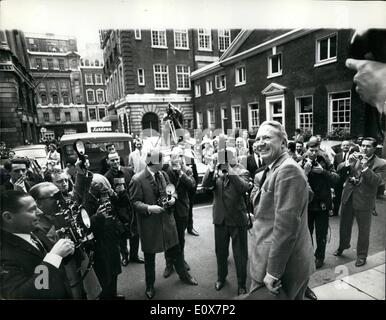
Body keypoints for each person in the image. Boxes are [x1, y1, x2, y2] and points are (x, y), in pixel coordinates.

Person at [248, 120, 314, 300]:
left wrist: (273, 272)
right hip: (273, 257)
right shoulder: (274, 168)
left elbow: (285, 229)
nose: (260, 142)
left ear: (284, 143)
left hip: (281, 269)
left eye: (267, 138)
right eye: (258, 138)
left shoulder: (288, 170)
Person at [129, 149, 198, 299]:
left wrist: (173, 197)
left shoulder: (163, 174)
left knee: (176, 250)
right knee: (149, 258)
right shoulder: (137, 179)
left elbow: (171, 191)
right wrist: (149, 208)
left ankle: (184, 276)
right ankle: (149, 286)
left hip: (168, 221)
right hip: (150, 224)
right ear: (155, 162)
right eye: (162, 160)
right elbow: (134, 202)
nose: (165, 163)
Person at [0, 190, 75, 299]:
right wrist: (55, 256)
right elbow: (24, 295)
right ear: (8, 217)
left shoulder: (34, 229)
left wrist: (66, 252)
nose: (40, 212)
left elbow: (43, 260)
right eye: (32, 210)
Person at [202, 148, 250, 295]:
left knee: (240, 254)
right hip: (220, 219)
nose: (226, 161)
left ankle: (241, 283)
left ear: (235, 157)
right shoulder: (216, 171)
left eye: (229, 158)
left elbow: (243, 187)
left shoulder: (242, 171)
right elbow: (206, 186)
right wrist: (211, 168)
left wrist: (229, 170)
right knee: (221, 252)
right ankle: (221, 278)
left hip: (237, 219)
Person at [334, 137, 386, 267]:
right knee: (344, 225)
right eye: (362, 145)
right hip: (349, 196)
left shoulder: (380, 163)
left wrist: (364, 168)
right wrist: (347, 163)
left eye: (368, 146)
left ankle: (362, 255)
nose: (364, 148)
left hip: (365, 201)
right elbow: (338, 171)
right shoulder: (355, 157)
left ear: (375, 148)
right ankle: (343, 246)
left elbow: (377, 182)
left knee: (364, 230)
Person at [301, 139, 339, 269]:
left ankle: (320, 257)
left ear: (319, 149)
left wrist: (322, 171)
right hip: (307, 203)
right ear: (306, 149)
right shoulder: (301, 161)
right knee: (307, 232)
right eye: (310, 150)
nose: (313, 153)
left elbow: (336, 179)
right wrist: (304, 171)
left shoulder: (325, 159)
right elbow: (294, 181)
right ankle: (308, 255)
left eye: (315, 150)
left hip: (322, 203)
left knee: (321, 233)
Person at [162, 147, 196, 278]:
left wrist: (181, 173)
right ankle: (169, 263)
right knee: (169, 238)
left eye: (181, 156)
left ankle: (181, 261)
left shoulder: (187, 170)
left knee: (181, 237)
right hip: (170, 209)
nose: (179, 159)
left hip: (182, 208)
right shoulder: (166, 170)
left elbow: (192, 185)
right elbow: (166, 187)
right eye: (176, 156)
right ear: (171, 157)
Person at [104, 151, 143, 265]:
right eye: (112, 160)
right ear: (108, 162)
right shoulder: (107, 176)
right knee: (121, 234)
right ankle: (124, 256)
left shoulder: (129, 171)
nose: (115, 162)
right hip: (118, 209)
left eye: (117, 159)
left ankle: (134, 255)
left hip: (131, 207)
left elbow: (136, 185)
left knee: (135, 232)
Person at [333, 140, 352, 216]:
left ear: (349, 147)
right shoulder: (337, 156)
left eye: (347, 145)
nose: (345, 147)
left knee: (347, 197)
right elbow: (335, 167)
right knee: (337, 196)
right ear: (341, 147)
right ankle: (335, 212)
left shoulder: (353, 156)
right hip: (339, 179)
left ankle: (347, 213)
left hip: (349, 178)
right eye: (344, 145)